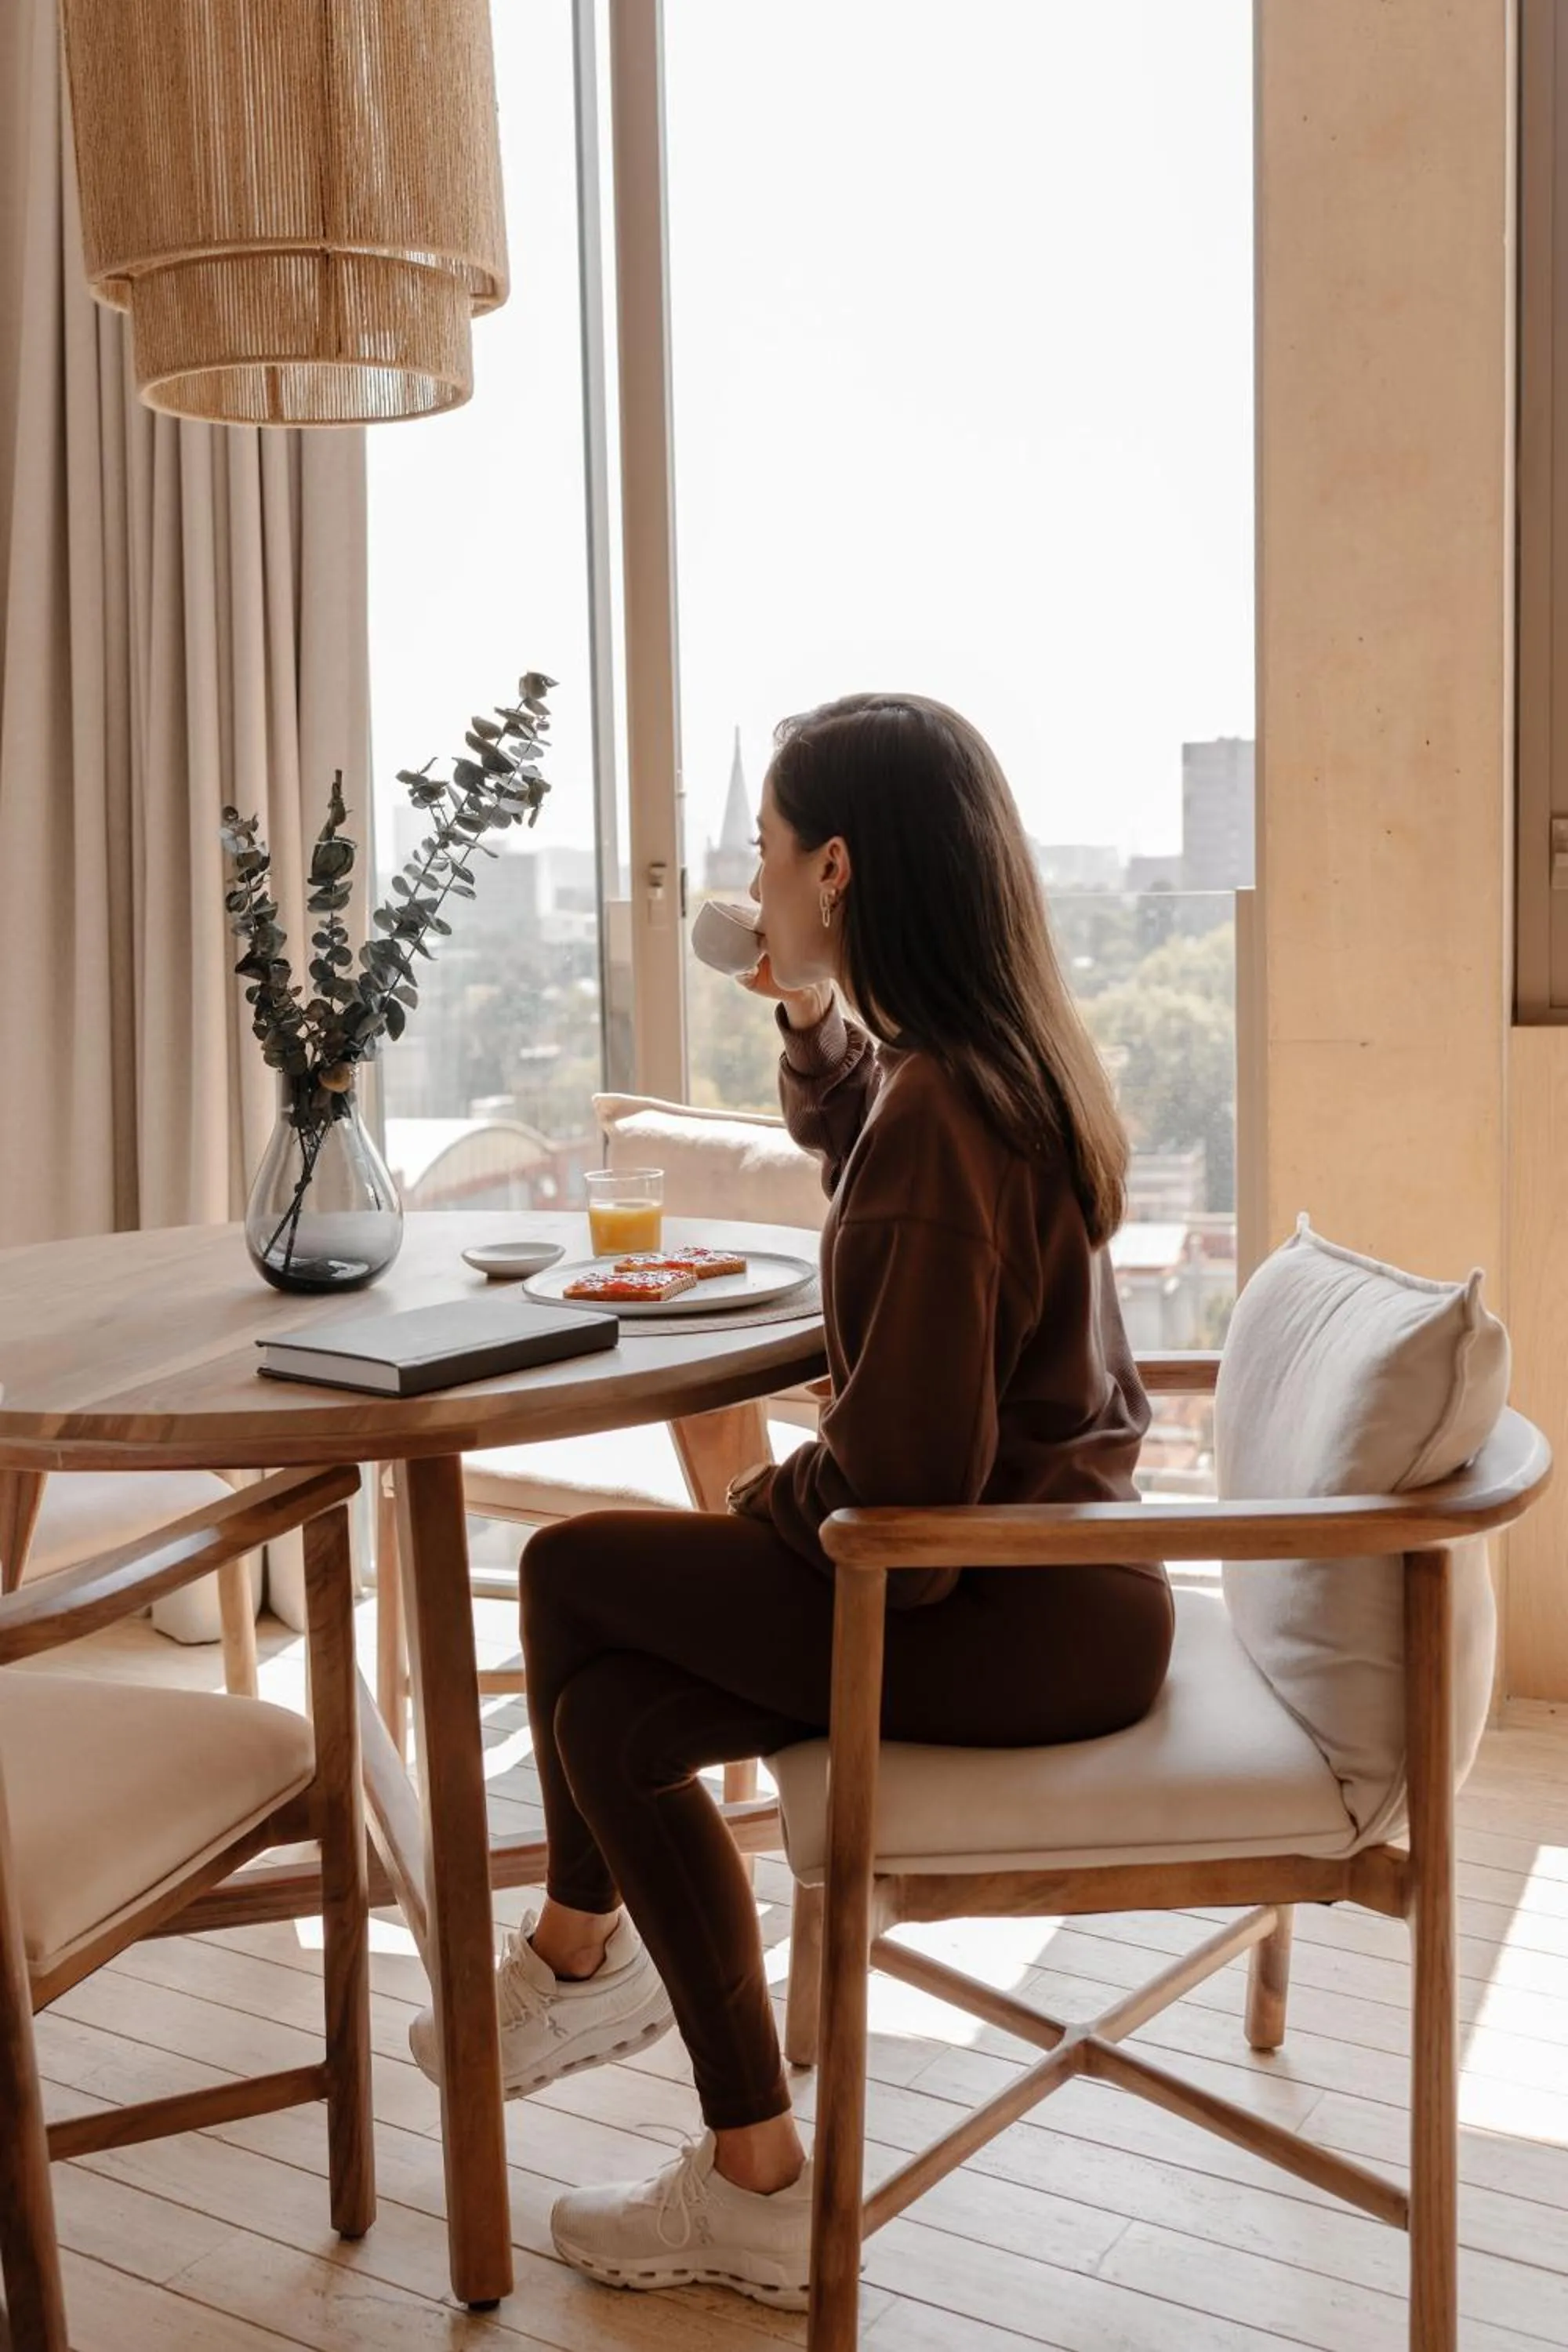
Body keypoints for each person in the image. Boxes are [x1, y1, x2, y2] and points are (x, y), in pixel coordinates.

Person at [409, 691, 1174, 2313]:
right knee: (613, 1719)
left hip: (990, 1598)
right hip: (1054, 1588)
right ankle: (752, 2178)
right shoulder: (975, 1067)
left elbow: (896, 1484)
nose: (748, 888)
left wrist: (756, 1507)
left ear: (833, 865)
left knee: (564, 1575)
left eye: (762, 853)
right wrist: (815, 1023)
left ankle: (570, 1961)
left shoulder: (943, 1114)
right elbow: (876, 1147)